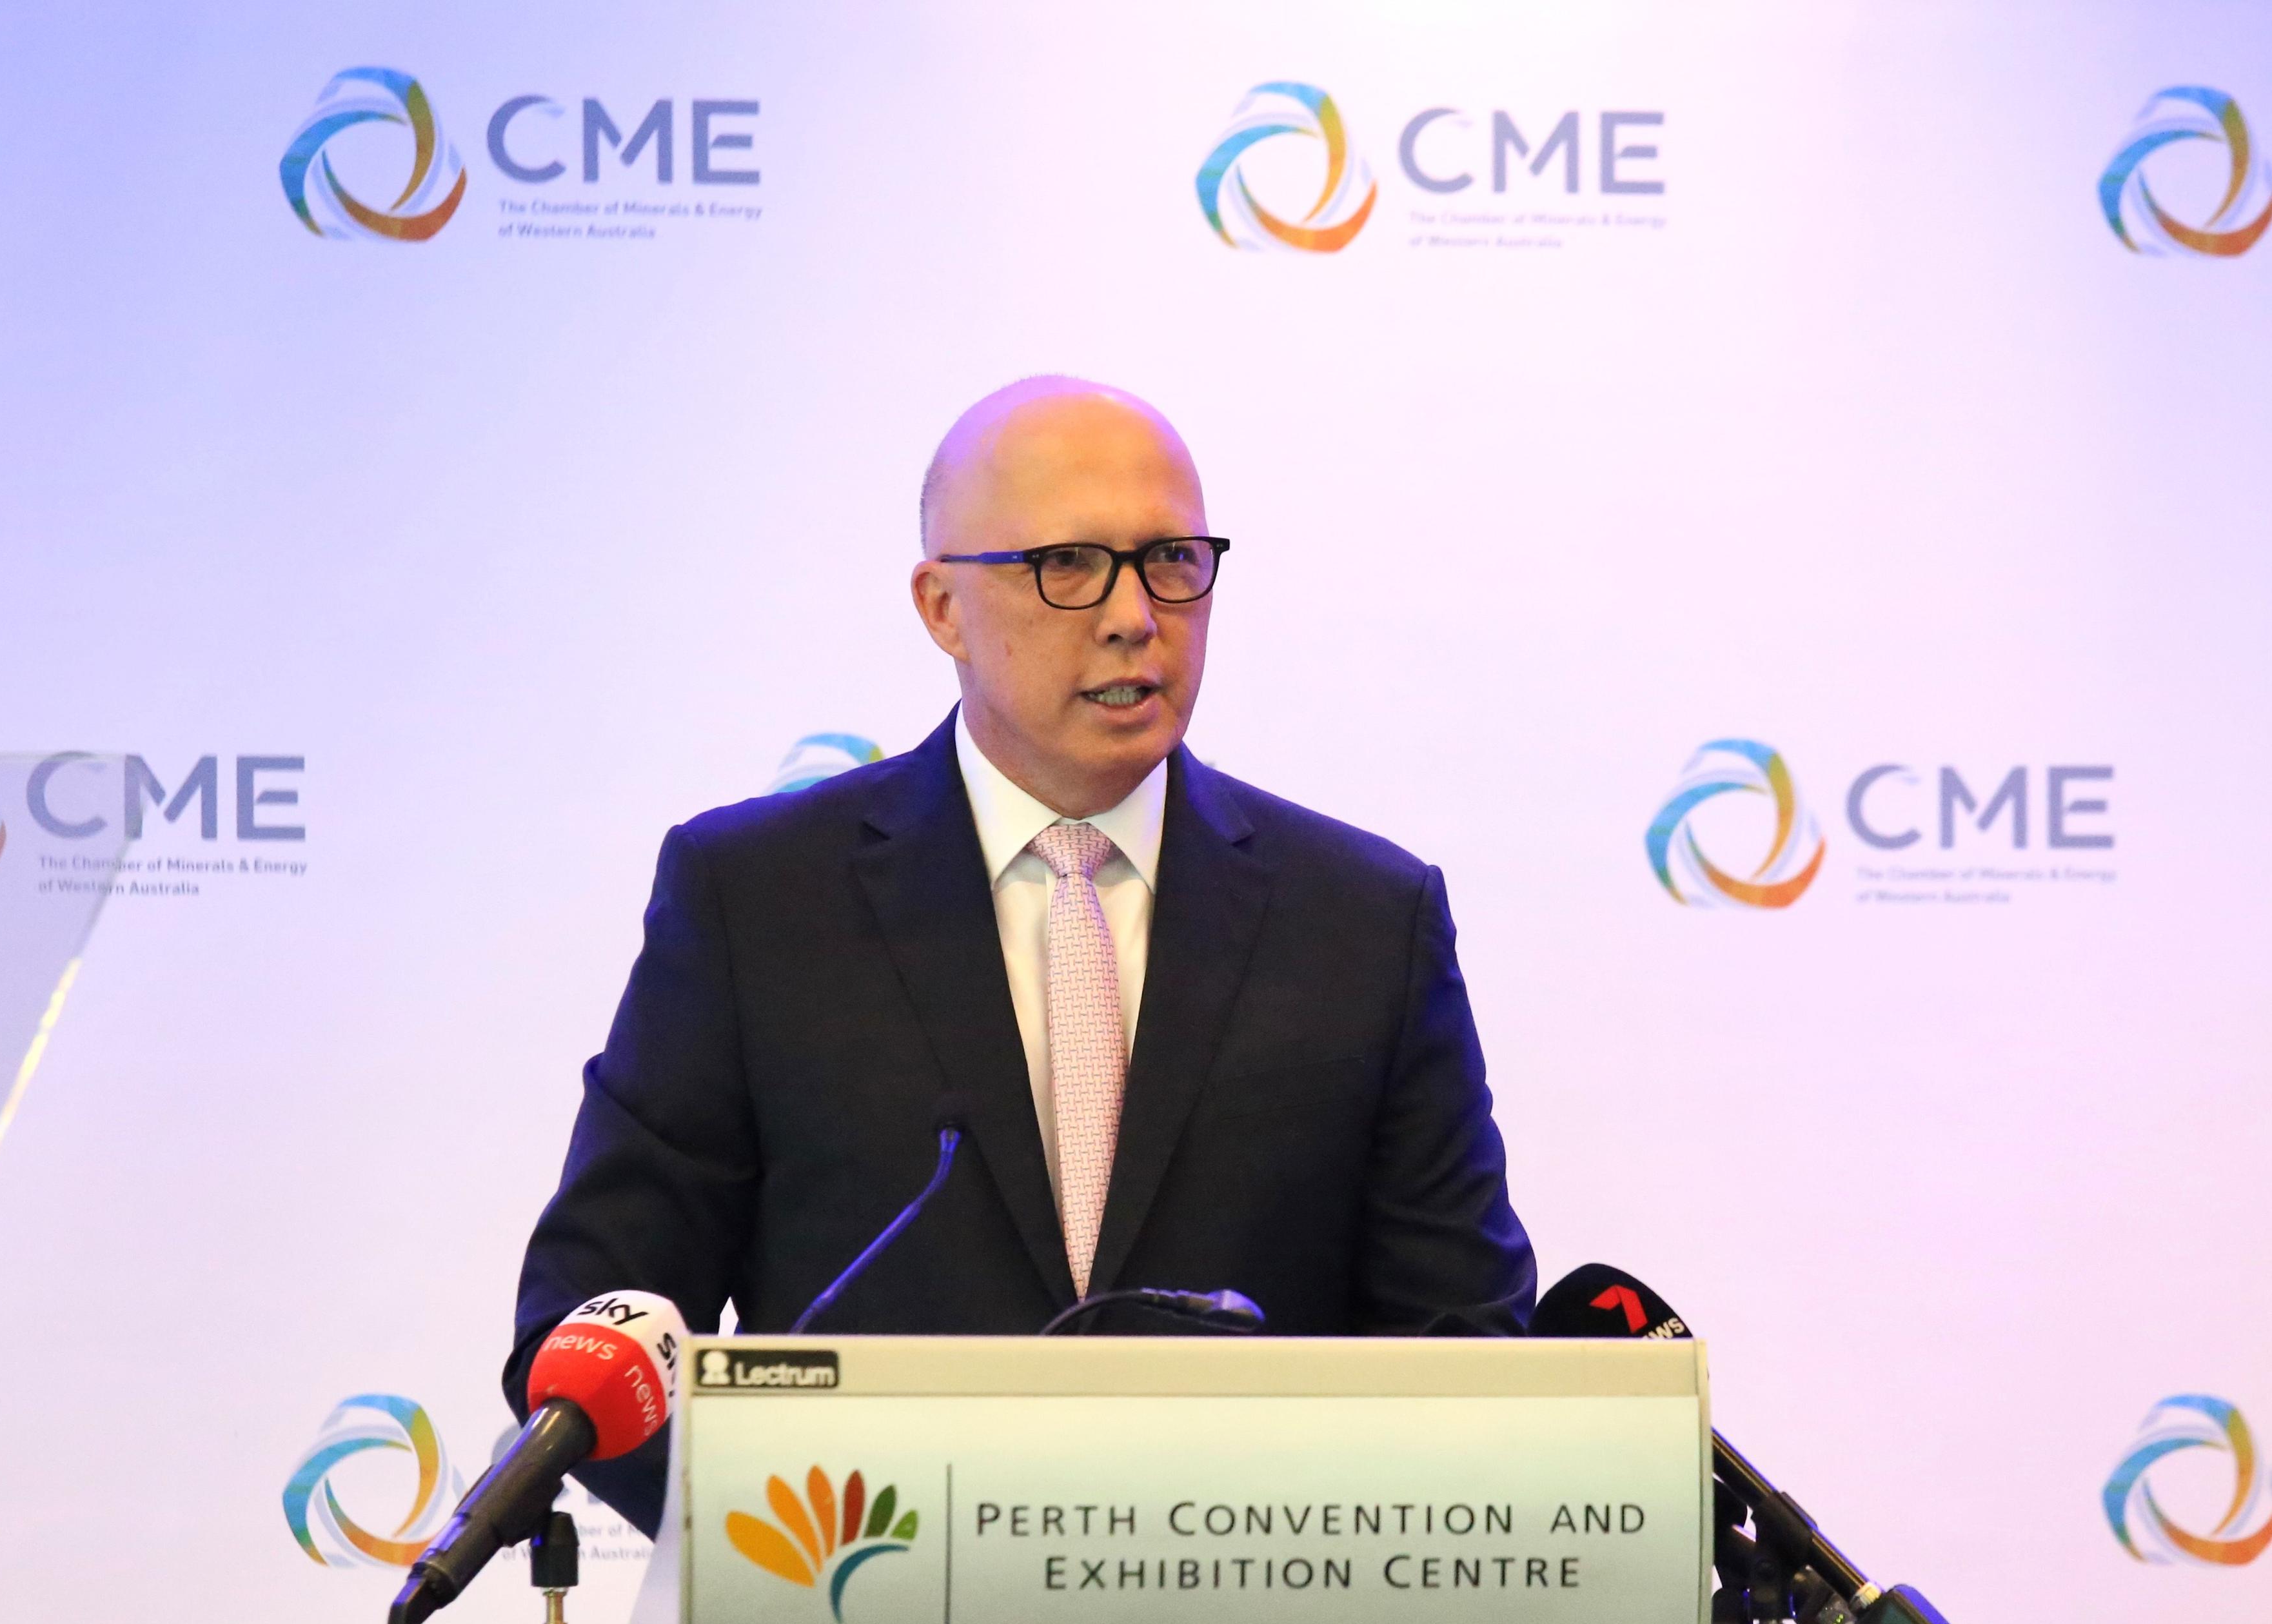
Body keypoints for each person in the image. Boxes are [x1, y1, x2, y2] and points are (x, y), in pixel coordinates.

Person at [504, 376, 1536, 1533]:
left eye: (1173, 561)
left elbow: (1466, 1348)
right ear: (941, 606)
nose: (1135, 614)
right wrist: (771, 1570)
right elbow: (588, 1336)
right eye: (1071, 565)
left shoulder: (1360, 920)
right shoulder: (758, 900)